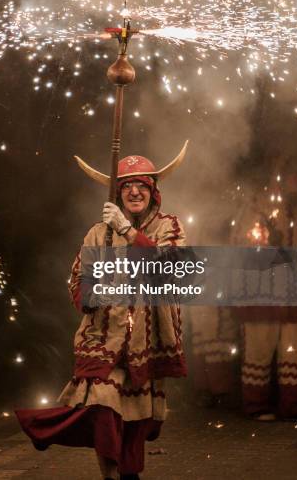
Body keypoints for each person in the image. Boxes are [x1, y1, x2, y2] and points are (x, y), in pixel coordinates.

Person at [16, 145, 188, 480]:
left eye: (141, 185)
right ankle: (96, 466)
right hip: (102, 340)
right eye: (126, 186)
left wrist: (126, 230)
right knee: (103, 409)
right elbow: (78, 281)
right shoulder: (98, 233)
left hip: (147, 342)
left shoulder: (170, 226)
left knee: (136, 418)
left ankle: (128, 475)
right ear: (117, 193)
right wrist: (91, 295)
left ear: (154, 192)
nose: (134, 191)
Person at [231, 166, 297, 422]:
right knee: (259, 347)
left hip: (291, 291)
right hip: (259, 291)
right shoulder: (254, 208)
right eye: (294, 174)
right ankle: (255, 405)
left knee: (292, 351)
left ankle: (293, 407)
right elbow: (241, 245)